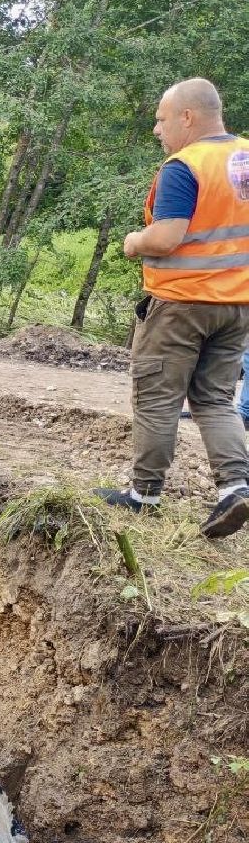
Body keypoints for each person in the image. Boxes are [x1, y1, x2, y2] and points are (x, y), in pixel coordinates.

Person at [98, 78, 249, 539]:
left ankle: (144, 496)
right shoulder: (244, 156)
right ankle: (236, 488)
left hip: (182, 304)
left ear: (188, 116)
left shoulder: (185, 166)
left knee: (157, 399)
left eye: (162, 119)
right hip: (237, 304)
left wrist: (132, 242)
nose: (157, 130)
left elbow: (166, 237)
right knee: (215, 399)